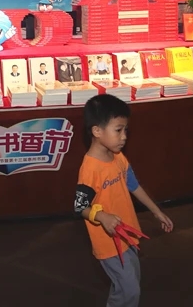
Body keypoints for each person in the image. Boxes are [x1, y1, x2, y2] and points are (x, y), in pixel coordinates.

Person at [74, 95, 174, 307]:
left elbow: (134, 185)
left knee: (128, 283)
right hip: (108, 242)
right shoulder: (90, 169)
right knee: (129, 288)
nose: (124, 137)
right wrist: (102, 216)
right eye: (118, 130)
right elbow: (79, 206)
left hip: (128, 233)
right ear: (97, 131)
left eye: (126, 130)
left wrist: (156, 211)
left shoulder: (118, 157)